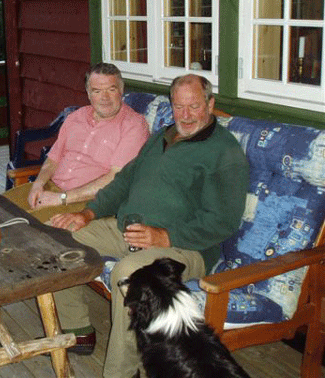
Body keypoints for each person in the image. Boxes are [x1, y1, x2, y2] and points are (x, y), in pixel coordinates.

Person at [50, 74, 249, 378]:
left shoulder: (224, 152)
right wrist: (88, 214)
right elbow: (125, 180)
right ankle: (78, 328)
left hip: (184, 248)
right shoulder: (161, 137)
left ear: (210, 104)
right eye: (179, 106)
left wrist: (166, 235)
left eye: (194, 106)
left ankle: (122, 372)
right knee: (61, 237)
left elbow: (224, 220)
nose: (185, 115)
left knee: (129, 275)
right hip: (128, 229)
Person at [4, 62, 150, 222]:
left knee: (21, 228)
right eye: (97, 91)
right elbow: (53, 159)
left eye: (111, 89)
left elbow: (116, 179)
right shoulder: (76, 117)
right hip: (50, 189)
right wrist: (38, 184)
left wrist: (61, 198)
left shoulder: (134, 125)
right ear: (88, 93)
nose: (105, 97)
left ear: (121, 91)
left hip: (86, 203)